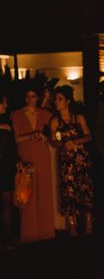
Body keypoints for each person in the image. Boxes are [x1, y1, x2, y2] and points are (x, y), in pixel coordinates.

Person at [11, 85, 55, 243]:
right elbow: (17, 139)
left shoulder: (45, 114)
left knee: (43, 190)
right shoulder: (17, 115)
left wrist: (46, 138)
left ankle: (45, 230)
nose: (30, 99)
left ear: (37, 98)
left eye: (33, 96)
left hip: (42, 154)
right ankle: (29, 232)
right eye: (28, 96)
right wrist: (33, 135)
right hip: (27, 154)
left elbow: (52, 137)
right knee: (27, 191)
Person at [49, 86, 94, 236]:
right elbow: (54, 141)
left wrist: (75, 142)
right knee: (69, 191)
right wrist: (60, 143)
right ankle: (72, 223)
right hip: (67, 161)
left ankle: (88, 221)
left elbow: (89, 136)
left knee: (85, 189)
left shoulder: (78, 117)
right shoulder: (55, 122)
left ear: (67, 101)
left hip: (81, 159)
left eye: (60, 99)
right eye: (55, 99)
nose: (57, 102)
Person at [0, 90, 17, 249]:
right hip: (4, 167)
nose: (6, 104)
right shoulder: (5, 125)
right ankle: (7, 238)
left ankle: (6, 238)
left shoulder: (6, 124)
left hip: (5, 167)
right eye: (4, 102)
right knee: (6, 204)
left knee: (6, 204)